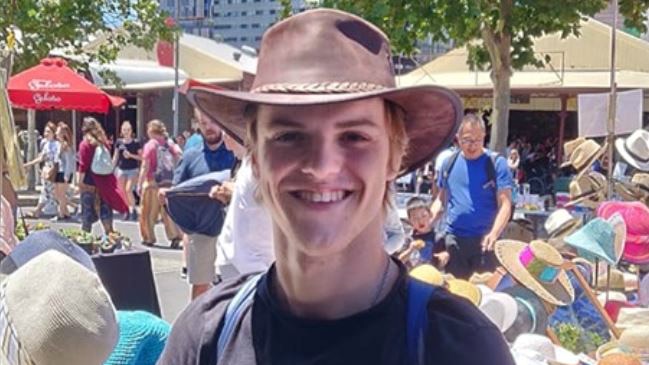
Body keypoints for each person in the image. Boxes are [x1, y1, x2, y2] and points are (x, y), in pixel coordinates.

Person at [159, 9, 513, 365]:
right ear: (255, 158)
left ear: (395, 156)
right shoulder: (207, 336)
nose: (321, 166)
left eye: (354, 136)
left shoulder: (459, 347)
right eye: (288, 136)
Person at [430, 114, 513, 279]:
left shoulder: (496, 163)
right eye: (467, 140)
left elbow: (505, 204)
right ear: (458, 139)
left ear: (484, 136)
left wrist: (494, 233)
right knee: (456, 292)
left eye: (477, 140)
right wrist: (429, 219)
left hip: (485, 241)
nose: (473, 145)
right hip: (454, 240)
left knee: (484, 294)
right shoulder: (449, 163)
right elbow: (441, 198)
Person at [163, 109, 235, 299]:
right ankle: (195, 328)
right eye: (203, 123)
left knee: (234, 289)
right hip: (202, 231)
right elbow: (177, 192)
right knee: (200, 289)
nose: (208, 127)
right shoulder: (190, 156)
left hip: (234, 232)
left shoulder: (235, 153)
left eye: (212, 122)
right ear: (197, 125)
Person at [214, 132, 274, 278]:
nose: (226, 145)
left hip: (249, 261)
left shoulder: (255, 163)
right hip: (248, 263)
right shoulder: (253, 163)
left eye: (226, 135)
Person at [77, 117, 129, 233]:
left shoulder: (85, 144)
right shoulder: (103, 143)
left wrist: (79, 182)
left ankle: (85, 241)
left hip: (89, 182)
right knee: (106, 211)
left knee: (87, 214)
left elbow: (83, 165)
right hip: (104, 181)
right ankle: (110, 237)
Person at [137, 119, 183, 247]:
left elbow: (145, 165)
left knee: (148, 212)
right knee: (168, 211)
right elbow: (180, 155)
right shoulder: (169, 143)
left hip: (153, 181)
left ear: (151, 131)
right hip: (168, 182)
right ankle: (175, 236)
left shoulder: (150, 145)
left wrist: (140, 183)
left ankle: (149, 237)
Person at [398, 197, 449, 269]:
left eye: (424, 216)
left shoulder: (438, 238)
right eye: (415, 218)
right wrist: (410, 250)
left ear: (430, 215)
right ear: (410, 220)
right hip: (412, 275)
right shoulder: (408, 238)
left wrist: (444, 257)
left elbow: (442, 263)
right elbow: (399, 261)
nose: (420, 220)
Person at [24, 121, 59, 218]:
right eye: (45, 131)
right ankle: (39, 210)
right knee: (47, 192)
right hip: (46, 171)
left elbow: (57, 160)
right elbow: (41, 158)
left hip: (53, 172)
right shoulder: (46, 144)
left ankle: (37, 211)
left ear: (54, 133)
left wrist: (52, 170)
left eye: (48, 132)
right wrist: (29, 164)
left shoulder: (57, 145)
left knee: (50, 192)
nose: (46, 134)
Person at [113, 121, 142, 221]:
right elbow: (116, 156)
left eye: (128, 130)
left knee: (129, 189)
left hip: (133, 169)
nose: (126, 132)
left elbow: (141, 157)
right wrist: (111, 168)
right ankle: (126, 209)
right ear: (121, 131)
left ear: (131, 131)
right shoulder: (119, 142)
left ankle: (133, 210)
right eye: (124, 130)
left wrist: (130, 155)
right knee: (122, 190)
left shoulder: (136, 143)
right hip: (121, 169)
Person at [51, 122, 76, 221]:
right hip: (59, 171)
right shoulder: (59, 145)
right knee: (56, 193)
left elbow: (70, 161)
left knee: (61, 194)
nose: (56, 133)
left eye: (58, 131)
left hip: (64, 172)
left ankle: (61, 214)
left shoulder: (67, 146)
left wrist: (67, 175)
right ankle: (66, 212)